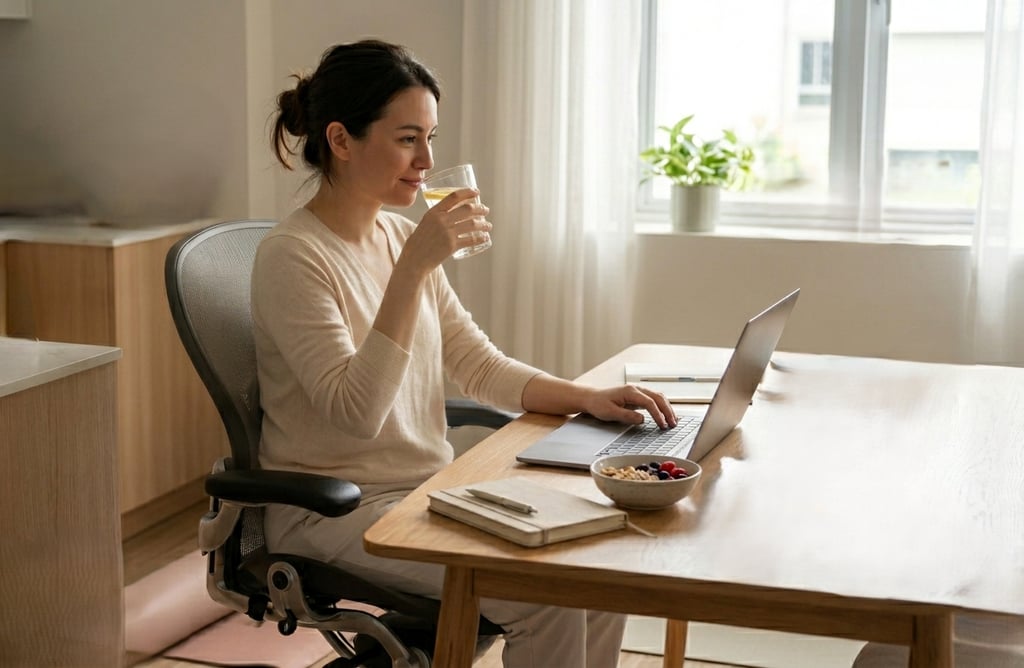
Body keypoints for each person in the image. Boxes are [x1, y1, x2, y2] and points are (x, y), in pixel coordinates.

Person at [253, 39, 677, 668]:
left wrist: (585, 397)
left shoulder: (400, 234)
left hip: (424, 490)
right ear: (341, 140)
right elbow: (356, 413)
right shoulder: (295, 257)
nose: (427, 160)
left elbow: (477, 364)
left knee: (596, 566)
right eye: (406, 139)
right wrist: (413, 268)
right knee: (547, 600)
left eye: (431, 137)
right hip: (331, 512)